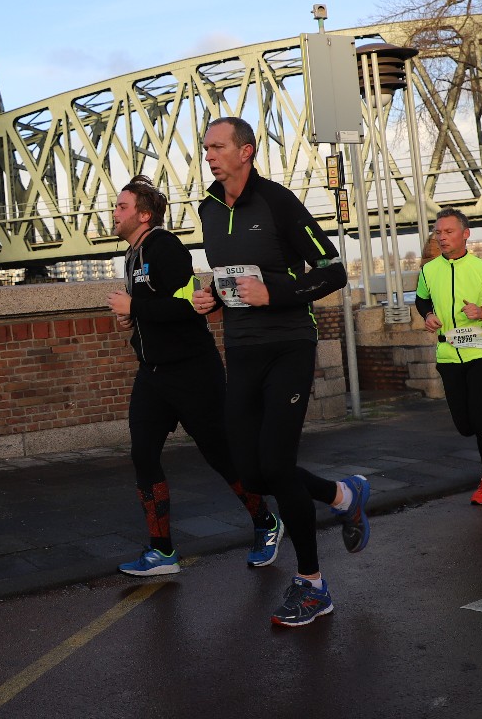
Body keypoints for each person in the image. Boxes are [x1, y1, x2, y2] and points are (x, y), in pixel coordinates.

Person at [189, 116, 364, 629]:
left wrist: (277, 293)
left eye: (218, 146)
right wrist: (211, 298)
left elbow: (333, 270)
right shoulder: (207, 209)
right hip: (241, 348)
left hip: (288, 345)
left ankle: (312, 584)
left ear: (246, 151)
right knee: (250, 471)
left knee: (278, 465)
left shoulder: (277, 202)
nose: (209, 155)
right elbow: (230, 277)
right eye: (206, 148)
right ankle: (343, 495)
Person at [105, 175, 283, 576]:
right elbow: (154, 308)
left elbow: (190, 307)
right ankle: (162, 551)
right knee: (142, 455)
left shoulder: (165, 247)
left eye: (122, 206)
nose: (114, 213)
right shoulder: (132, 256)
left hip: (191, 371)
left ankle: (267, 522)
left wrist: (135, 307)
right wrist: (130, 320)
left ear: (144, 215)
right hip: (153, 373)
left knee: (220, 455)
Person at [414, 209, 482, 503]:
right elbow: (421, 300)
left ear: (465, 234)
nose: (442, 237)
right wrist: (428, 315)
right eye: (438, 232)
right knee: (465, 426)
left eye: (448, 232)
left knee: (480, 419)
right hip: (449, 354)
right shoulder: (428, 271)